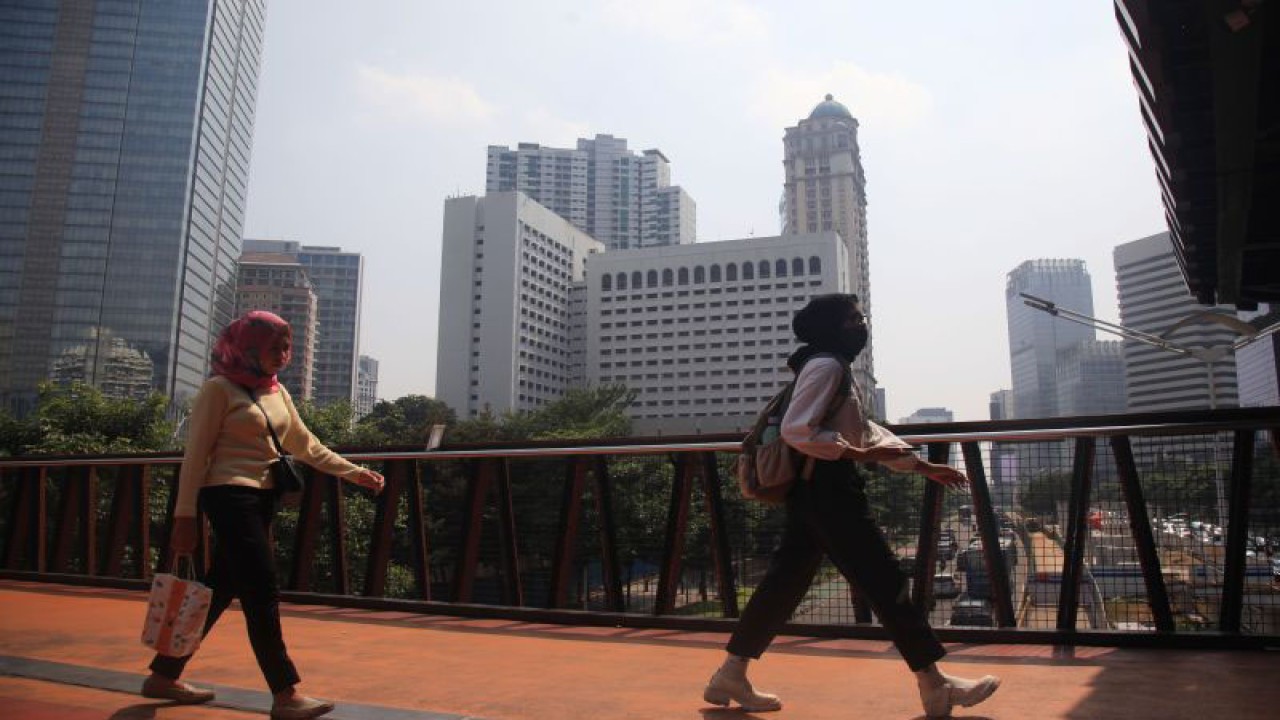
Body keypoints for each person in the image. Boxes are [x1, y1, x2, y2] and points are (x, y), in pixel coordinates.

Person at [702, 294, 1000, 719]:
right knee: (884, 581)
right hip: (828, 490)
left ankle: (731, 674)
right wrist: (859, 456)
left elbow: (865, 430)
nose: (862, 326)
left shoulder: (830, 367)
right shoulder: (826, 366)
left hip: (816, 489)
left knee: (784, 584)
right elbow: (798, 430)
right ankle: (935, 684)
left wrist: (920, 466)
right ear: (832, 327)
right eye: (853, 320)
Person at [140, 310, 386, 720]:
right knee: (261, 590)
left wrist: (354, 473)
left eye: (287, 346)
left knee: (221, 586)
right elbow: (195, 455)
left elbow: (306, 445)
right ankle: (285, 694)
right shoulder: (218, 389)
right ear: (248, 347)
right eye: (274, 347)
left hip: (263, 498)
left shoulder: (277, 392)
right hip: (228, 494)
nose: (283, 354)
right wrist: (184, 517)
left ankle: (163, 675)